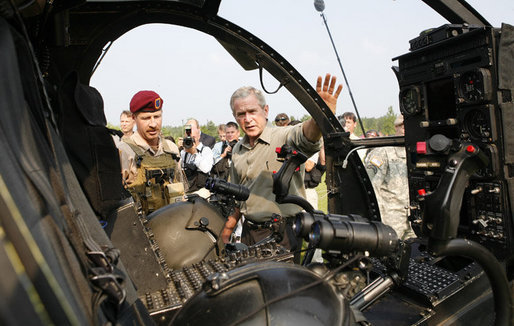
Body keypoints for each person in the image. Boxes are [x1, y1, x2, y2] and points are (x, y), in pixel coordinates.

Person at [221, 74, 342, 257]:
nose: (247, 119)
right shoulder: (237, 149)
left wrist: (320, 116)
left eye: (253, 111)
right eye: (241, 114)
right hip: (248, 232)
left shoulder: (284, 137)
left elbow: (306, 135)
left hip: (282, 234)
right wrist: (229, 228)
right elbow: (239, 194)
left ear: (266, 110)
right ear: (235, 117)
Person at [118, 90, 185, 215]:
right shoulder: (124, 151)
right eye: (146, 118)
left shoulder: (171, 149)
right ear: (134, 118)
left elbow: (181, 188)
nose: (153, 124)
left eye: (157, 116)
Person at [364, 115, 415, 240]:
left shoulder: (416, 151)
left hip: (413, 220)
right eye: (402, 125)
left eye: (408, 125)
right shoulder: (383, 151)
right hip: (390, 220)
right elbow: (370, 187)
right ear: (396, 127)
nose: (405, 128)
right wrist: (376, 218)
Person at [180, 119, 214, 198]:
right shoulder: (183, 152)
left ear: (199, 132)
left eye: (192, 129)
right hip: (186, 191)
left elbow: (206, 169)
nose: (189, 133)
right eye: (187, 130)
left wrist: (194, 153)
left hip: (201, 192)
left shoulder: (206, 150)